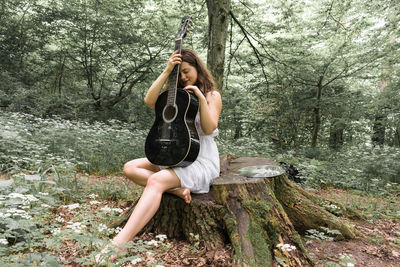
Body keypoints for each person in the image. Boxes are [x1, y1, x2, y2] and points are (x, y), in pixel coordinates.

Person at [97, 48, 222, 262]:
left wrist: (200, 97)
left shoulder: (212, 95)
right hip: (176, 154)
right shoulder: (176, 96)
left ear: (197, 68)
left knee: (155, 181)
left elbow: (209, 128)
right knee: (130, 167)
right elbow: (149, 100)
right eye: (178, 74)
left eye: (186, 71)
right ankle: (176, 190)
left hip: (200, 161)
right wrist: (166, 71)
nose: (183, 77)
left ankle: (120, 243)